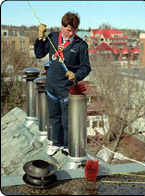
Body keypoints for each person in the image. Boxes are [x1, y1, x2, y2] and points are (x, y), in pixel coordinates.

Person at [34, 12, 91, 155]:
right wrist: (40, 37)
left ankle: (66, 145)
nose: (70, 33)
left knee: (67, 120)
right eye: (67, 30)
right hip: (51, 85)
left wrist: (76, 75)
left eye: (73, 30)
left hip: (66, 88)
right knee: (54, 117)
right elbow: (39, 54)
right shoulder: (53, 37)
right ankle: (57, 143)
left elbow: (86, 67)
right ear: (62, 26)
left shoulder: (81, 45)